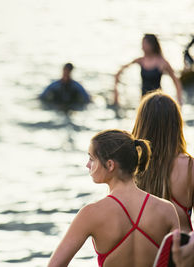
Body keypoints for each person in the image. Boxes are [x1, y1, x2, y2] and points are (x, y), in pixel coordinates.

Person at [48, 129, 179, 267]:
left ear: (110, 165)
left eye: (92, 159)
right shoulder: (166, 209)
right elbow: (182, 262)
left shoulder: (90, 214)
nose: (87, 165)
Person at [132, 91, 194, 232]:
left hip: (146, 249)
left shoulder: (130, 165)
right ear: (177, 124)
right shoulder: (190, 167)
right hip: (180, 248)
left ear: (141, 124)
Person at [113, 34, 183, 106]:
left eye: (144, 44)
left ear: (151, 45)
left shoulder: (162, 62)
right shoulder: (141, 60)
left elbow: (176, 81)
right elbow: (119, 72)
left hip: (158, 102)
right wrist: (116, 93)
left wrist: (179, 100)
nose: (142, 47)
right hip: (143, 101)